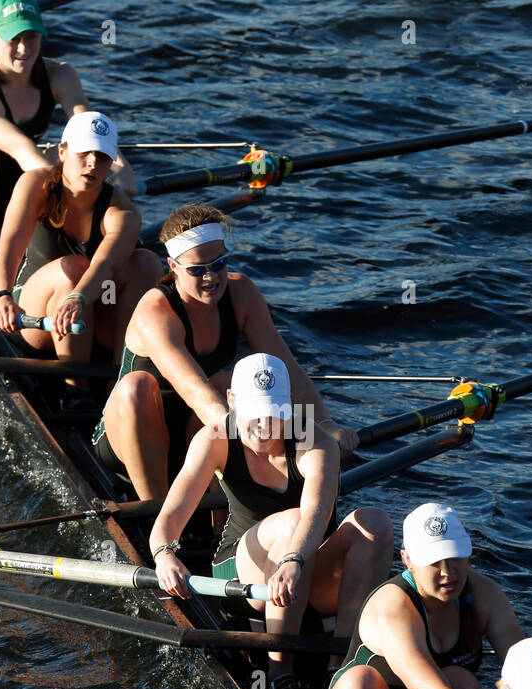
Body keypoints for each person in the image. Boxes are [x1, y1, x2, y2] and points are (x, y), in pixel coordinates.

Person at [149, 353, 392, 689]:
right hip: (242, 571)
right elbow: (170, 517)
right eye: (255, 415)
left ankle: (341, 662)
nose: (265, 426)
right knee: (292, 525)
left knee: (374, 524)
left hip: (300, 566)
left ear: (289, 404)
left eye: (276, 414)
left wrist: (293, 560)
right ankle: (279, 669)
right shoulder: (214, 438)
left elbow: (316, 514)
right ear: (231, 401)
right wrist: (164, 554)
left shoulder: (317, 440)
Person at [92, 204, 359, 500]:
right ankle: (155, 514)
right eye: (197, 269)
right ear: (173, 268)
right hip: (129, 439)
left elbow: (288, 370)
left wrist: (325, 426)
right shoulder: (155, 311)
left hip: (198, 430)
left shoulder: (241, 292)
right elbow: (195, 392)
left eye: (219, 263)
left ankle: (224, 522)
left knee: (230, 382)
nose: (211, 277)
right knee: (138, 387)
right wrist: (248, 437)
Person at [310, 503, 523, 689]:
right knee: (360, 685)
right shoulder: (392, 608)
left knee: (462, 681)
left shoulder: (485, 594)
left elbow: (526, 670)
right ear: (408, 560)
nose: (448, 572)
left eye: (455, 557)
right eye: (434, 562)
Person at [0, 0, 135, 250]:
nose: (24, 49)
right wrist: (68, 188)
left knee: (66, 155)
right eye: (14, 39)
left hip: (20, 195)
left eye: (31, 37)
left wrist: (120, 167)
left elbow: (89, 125)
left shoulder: (60, 74)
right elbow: (20, 148)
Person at [0, 111, 159, 370]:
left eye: (102, 157)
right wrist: (1, 296)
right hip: (33, 316)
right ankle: (74, 387)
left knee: (147, 263)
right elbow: (10, 249)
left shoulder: (124, 213)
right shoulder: (35, 185)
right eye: (84, 152)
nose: (93, 163)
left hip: (88, 311)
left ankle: (120, 375)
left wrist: (77, 299)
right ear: (62, 152)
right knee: (73, 268)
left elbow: (105, 266)